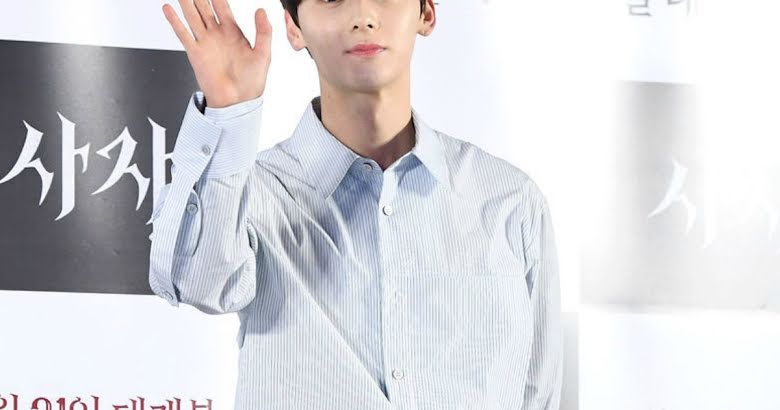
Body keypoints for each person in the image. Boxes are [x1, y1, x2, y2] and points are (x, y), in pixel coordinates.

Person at [148, 0, 563, 408]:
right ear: (294, 27)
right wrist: (229, 113)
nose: (363, 16)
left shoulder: (509, 200)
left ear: (426, 13)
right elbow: (196, 283)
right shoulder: (255, 192)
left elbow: (537, 391)